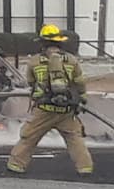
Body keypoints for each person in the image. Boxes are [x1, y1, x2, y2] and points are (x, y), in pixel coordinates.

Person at [8, 24, 94, 177]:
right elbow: (79, 82)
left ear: (42, 43)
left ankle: (16, 166)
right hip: (66, 111)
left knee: (28, 138)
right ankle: (85, 169)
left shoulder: (35, 62)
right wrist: (82, 98)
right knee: (75, 139)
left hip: (44, 110)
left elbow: (31, 82)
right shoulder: (71, 60)